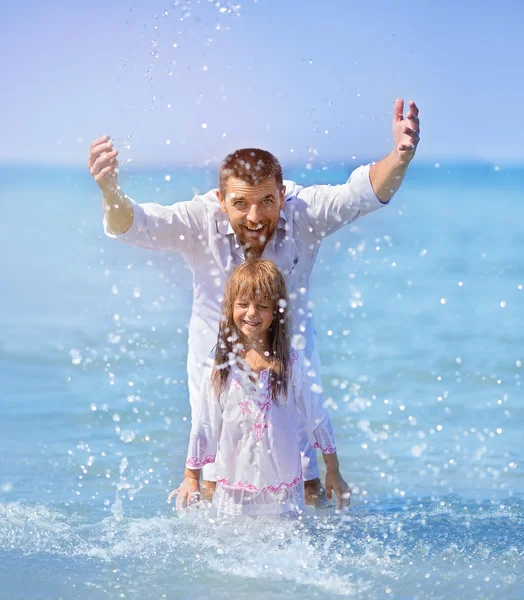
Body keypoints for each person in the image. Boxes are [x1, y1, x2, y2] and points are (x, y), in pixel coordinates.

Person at [87, 98, 420, 503]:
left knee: (305, 481)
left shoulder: (304, 213)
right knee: (214, 483)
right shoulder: (200, 219)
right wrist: (109, 190)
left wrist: (400, 157)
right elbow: (136, 224)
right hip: (217, 362)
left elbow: (361, 193)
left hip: (289, 356)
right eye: (240, 203)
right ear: (221, 198)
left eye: (266, 201)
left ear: (283, 194)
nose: (255, 216)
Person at [169, 259, 350, 516]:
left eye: (262, 306)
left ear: (276, 311)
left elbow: (316, 415)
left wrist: (333, 469)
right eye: (243, 304)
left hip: (284, 491)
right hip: (233, 491)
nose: (251, 313)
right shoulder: (221, 363)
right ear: (230, 306)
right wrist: (191, 476)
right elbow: (205, 422)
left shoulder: (291, 361)